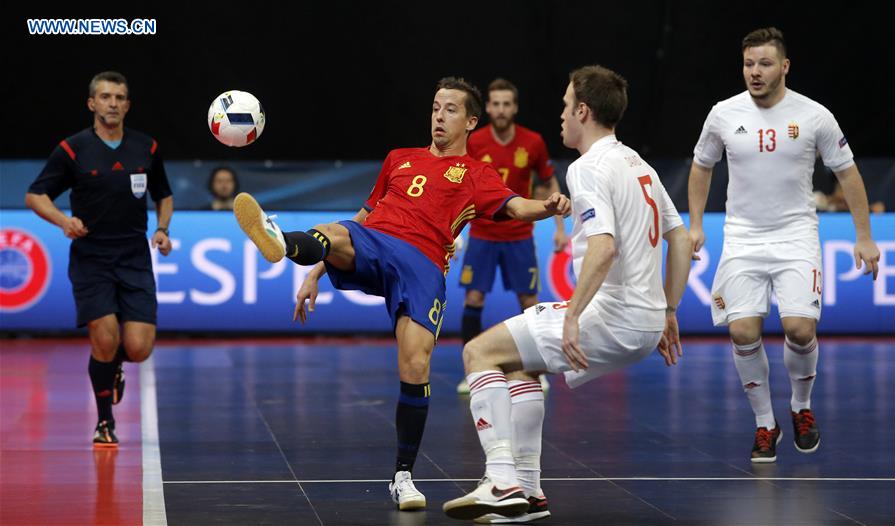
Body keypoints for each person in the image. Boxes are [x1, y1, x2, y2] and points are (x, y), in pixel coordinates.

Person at [232, 77, 571, 511]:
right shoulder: (398, 159)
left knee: (415, 363)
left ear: (470, 121)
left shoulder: (476, 173)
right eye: (434, 108)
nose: (439, 117)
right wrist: (317, 270)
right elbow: (363, 217)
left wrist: (546, 207)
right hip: (375, 242)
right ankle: (281, 240)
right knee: (337, 231)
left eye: (450, 110)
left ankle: (402, 476)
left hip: (424, 265)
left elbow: (514, 206)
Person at [442, 65, 692, 523]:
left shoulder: (587, 167)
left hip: (609, 317)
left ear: (583, 110)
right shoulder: (640, 164)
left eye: (564, 104)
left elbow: (603, 246)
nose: (559, 114)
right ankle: (530, 493)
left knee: (479, 353)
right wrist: (669, 309)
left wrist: (574, 315)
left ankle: (500, 480)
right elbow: (679, 239)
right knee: (520, 363)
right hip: (645, 319)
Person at [688, 27, 881, 463]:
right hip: (743, 236)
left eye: (764, 64)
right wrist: (696, 223)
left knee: (799, 328)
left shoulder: (814, 116)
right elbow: (702, 166)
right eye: (748, 64)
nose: (754, 72)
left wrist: (864, 236)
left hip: (796, 236)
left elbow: (847, 173)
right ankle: (764, 423)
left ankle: (801, 407)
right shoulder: (723, 113)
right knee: (742, 330)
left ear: (785, 66)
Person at [25, 71, 174, 447]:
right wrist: (63, 220)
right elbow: (35, 196)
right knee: (104, 339)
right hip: (92, 257)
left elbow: (164, 194)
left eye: (119, 97)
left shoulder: (147, 148)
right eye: (105, 97)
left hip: (134, 257)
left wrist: (163, 228)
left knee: (138, 347)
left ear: (127, 105)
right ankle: (105, 421)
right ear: (92, 103)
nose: (112, 103)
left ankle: (115, 368)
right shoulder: (73, 149)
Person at [456, 78, 567, 396]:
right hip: (483, 234)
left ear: (514, 107)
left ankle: (534, 370)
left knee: (529, 302)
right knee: (474, 299)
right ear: (487, 107)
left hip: (519, 236)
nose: (501, 109)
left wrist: (560, 229)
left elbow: (548, 184)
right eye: (496, 104)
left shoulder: (532, 142)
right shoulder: (474, 142)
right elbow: (460, 188)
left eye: (507, 104)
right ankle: (472, 372)